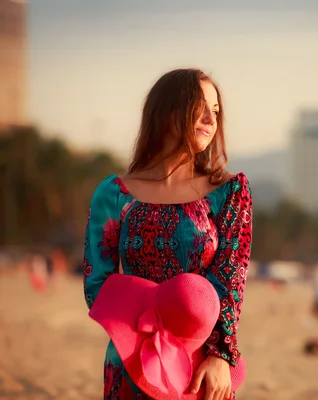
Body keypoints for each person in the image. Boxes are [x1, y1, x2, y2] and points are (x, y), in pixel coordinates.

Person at [83, 68, 253, 400]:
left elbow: (231, 278)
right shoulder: (114, 194)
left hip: (201, 362)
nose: (209, 118)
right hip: (132, 356)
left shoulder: (228, 192)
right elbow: (96, 284)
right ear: (167, 111)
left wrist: (221, 356)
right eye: (199, 106)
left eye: (215, 111)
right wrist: (148, 334)